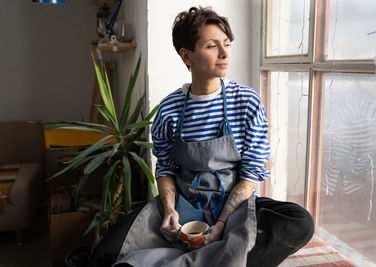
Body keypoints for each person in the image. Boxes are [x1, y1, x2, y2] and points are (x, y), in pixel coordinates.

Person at [88, 6, 313, 267]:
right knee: (106, 251)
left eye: (226, 44)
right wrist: (170, 211)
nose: (225, 53)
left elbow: (251, 174)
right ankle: (220, 258)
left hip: (234, 205)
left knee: (300, 222)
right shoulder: (169, 109)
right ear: (187, 56)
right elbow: (165, 168)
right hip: (184, 202)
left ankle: (189, 259)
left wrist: (221, 224)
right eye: (212, 46)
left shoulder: (247, 102)